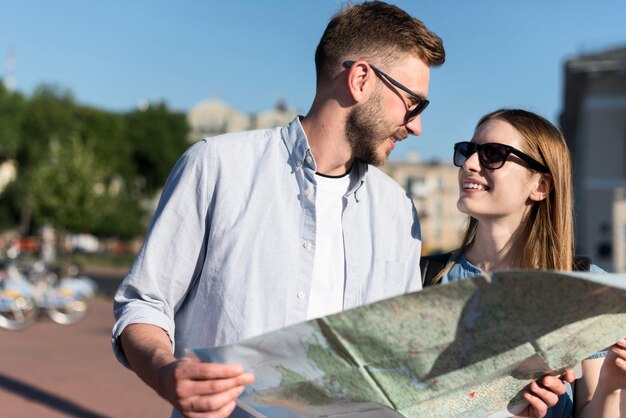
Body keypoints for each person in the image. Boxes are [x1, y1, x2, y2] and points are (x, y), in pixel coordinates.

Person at [112, 2, 445, 417]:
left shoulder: (397, 212)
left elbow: (402, 358)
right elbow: (143, 303)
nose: (416, 126)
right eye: (414, 102)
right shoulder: (217, 166)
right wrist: (165, 373)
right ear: (361, 79)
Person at [421, 108, 622, 418]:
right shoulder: (421, 278)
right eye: (468, 151)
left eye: (493, 154)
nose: (470, 165)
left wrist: (612, 383)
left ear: (540, 186)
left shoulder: (586, 288)